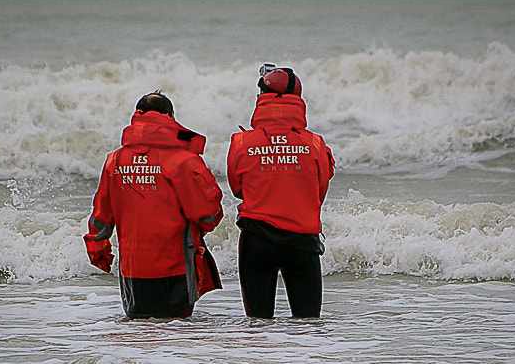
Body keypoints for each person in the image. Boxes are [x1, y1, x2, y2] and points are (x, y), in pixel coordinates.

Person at [85, 91, 223, 319]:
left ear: (136, 117)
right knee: (174, 340)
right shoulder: (184, 161)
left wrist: (98, 250)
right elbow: (209, 215)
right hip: (175, 268)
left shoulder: (114, 161)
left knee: (139, 339)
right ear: (170, 117)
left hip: (131, 269)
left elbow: (101, 217)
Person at [226, 64, 335, 318]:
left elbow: (237, 188)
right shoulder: (315, 143)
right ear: (298, 99)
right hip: (302, 244)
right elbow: (319, 191)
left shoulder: (241, 142)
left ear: (261, 98)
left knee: (258, 329)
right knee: (308, 328)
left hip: (257, 240)